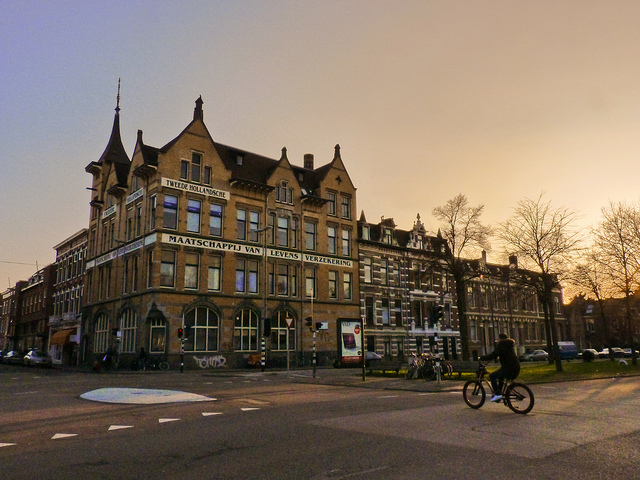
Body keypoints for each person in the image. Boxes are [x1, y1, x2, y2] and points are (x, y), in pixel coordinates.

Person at [480, 333, 520, 402]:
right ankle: (499, 394)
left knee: (492, 376)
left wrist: (482, 358)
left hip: (508, 368)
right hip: (516, 368)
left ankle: (498, 395)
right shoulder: (509, 346)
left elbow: (493, 355)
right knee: (500, 377)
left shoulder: (502, 346)